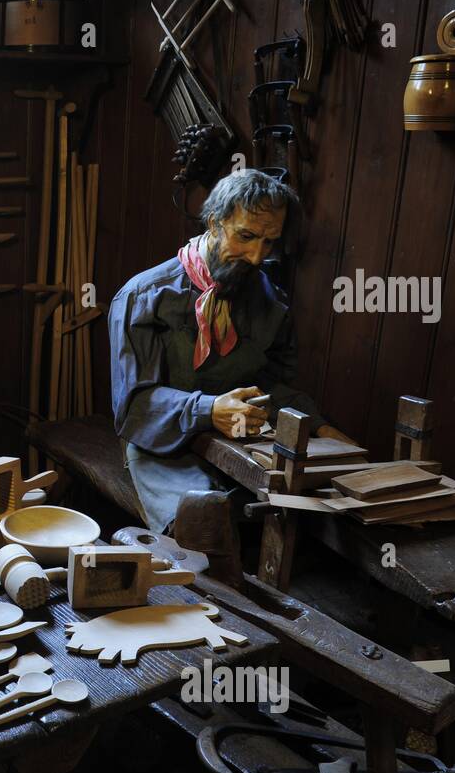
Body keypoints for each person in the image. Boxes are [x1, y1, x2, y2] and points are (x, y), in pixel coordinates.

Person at [107, 169, 353, 533]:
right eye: (246, 236)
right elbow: (134, 408)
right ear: (214, 223)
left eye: (269, 242)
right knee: (202, 527)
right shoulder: (144, 298)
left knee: (314, 519)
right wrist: (208, 410)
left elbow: (273, 386)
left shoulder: (271, 303)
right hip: (162, 449)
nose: (256, 257)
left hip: (241, 446)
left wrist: (321, 427)